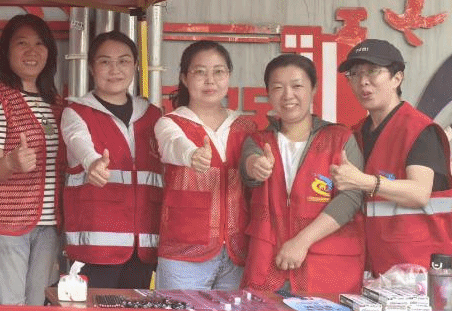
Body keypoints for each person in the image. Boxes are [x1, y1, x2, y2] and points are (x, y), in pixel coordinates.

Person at [331, 38, 452, 302]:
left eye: (373, 71)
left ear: (397, 78)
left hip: (421, 272)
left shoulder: (419, 130)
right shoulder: (358, 133)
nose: (363, 82)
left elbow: (419, 193)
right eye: (355, 74)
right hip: (382, 271)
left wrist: (363, 181)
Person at [240, 54, 365, 296]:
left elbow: (351, 198)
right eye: (278, 88)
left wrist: (302, 241)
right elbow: (250, 165)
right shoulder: (258, 141)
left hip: (327, 271)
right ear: (268, 94)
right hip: (268, 269)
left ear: (313, 89)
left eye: (297, 86)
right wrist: (257, 166)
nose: (288, 95)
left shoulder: (340, 139)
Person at [0, 13, 62, 305]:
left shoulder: (55, 104)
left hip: (47, 226)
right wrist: (11, 163)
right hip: (3, 225)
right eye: (22, 43)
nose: (32, 51)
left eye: (40, 44)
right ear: (5, 51)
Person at [60, 30, 163, 289]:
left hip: (143, 246)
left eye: (123, 61)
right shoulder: (76, 113)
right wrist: (93, 163)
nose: (115, 69)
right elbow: (79, 142)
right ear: (91, 68)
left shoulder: (153, 115)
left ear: (136, 66)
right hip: (95, 247)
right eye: (105, 61)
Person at [154, 40, 255, 290]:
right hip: (184, 253)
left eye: (218, 72)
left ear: (228, 76)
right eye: (200, 72)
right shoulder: (171, 123)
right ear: (184, 78)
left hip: (238, 251)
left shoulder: (246, 126)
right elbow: (173, 145)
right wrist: (192, 155)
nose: (210, 80)